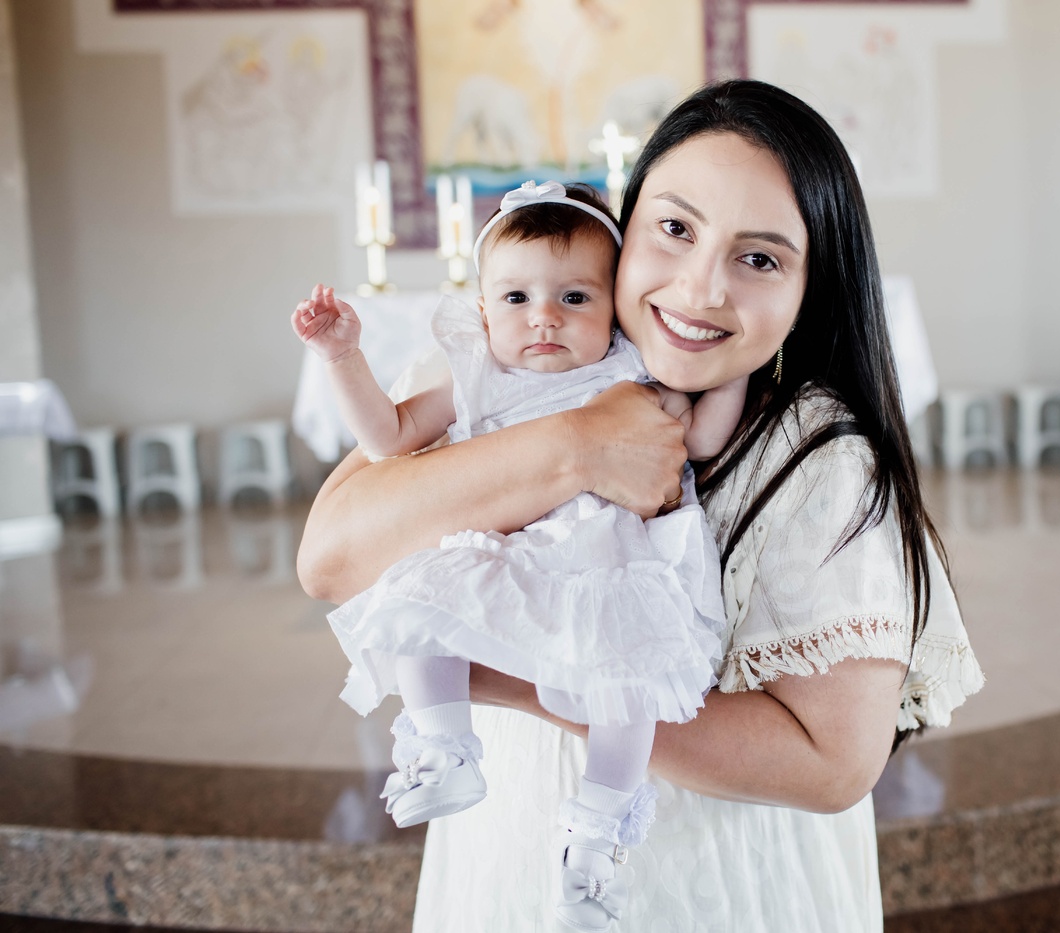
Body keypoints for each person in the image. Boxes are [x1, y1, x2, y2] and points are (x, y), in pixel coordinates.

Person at [298, 79, 983, 932]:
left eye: (760, 258)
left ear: (812, 287)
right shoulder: (492, 366)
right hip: (506, 851)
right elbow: (329, 557)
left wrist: (521, 676)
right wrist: (579, 443)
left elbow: (833, 762)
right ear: (623, 230)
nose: (700, 289)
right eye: (676, 229)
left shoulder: (817, 454)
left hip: (714, 885)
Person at [292, 181, 746, 932]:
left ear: (614, 308)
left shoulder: (631, 373)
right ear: (482, 312)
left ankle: (595, 834)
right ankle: (444, 745)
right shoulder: (474, 375)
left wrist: (731, 367)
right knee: (422, 599)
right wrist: (342, 357)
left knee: (629, 688)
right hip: (503, 555)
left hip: (602, 569)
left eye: (574, 297)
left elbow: (697, 439)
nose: (543, 317)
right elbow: (389, 438)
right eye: (516, 298)